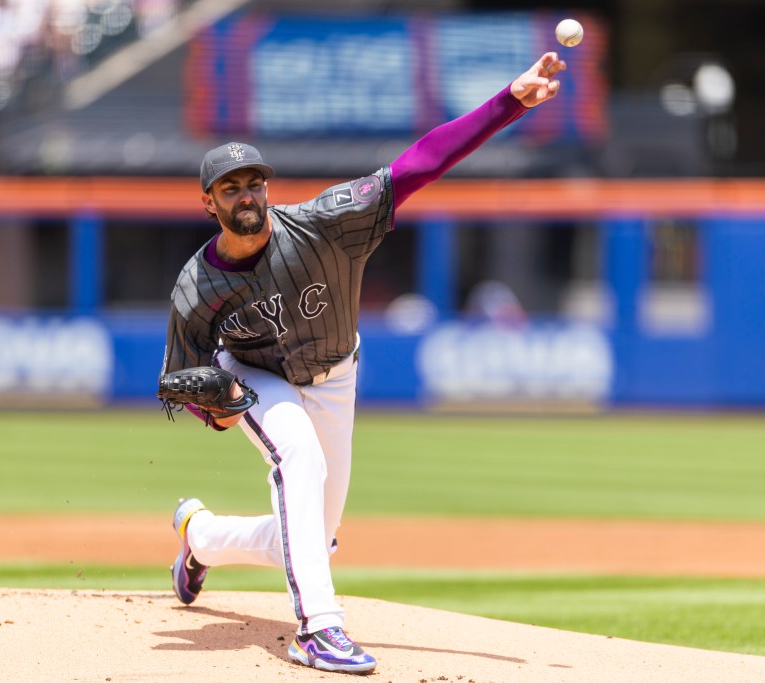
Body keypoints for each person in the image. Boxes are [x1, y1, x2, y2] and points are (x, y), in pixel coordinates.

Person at [160, 51, 567, 675]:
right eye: (231, 187)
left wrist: (510, 100)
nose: (247, 194)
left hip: (335, 372)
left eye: (254, 182)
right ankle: (318, 630)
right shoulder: (196, 287)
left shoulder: (326, 224)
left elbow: (421, 164)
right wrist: (214, 413)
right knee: (297, 455)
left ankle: (201, 536)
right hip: (257, 378)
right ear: (209, 203)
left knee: (312, 540)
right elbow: (186, 378)